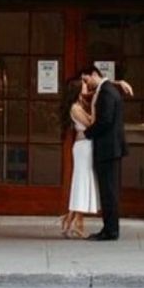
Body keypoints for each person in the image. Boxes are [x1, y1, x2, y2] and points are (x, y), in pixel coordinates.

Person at [81, 65, 128, 241]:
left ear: (94, 74)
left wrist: (87, 133)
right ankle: (109, 228)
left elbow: (105, 121)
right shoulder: (109, 89)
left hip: (108, 148)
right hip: (111, 148)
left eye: (86, 79)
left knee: (108, 191)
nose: (87, 84)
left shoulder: (106, 92)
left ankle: (110, 230)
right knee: (109, 190)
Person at [59, 77, 98, 239]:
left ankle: (73, 220)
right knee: (81, 182)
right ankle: (74, 220)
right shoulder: (75, 108)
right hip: (83, 148)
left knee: (84, 182)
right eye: (83, 86)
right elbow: (90, 123)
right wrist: (95, 105)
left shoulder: (80, 104)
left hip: (86, 146)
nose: (86, 87)